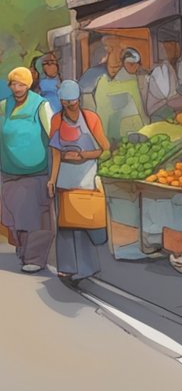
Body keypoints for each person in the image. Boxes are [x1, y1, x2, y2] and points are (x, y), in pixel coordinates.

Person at [46, 80, 109, 284]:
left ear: (78, 100)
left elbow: (103, 147)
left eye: (72, 103)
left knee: (83, 223)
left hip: (85, 176)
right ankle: (66, 268)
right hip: (64, 178)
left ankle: (86, 267)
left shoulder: (90, 118)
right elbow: (55, 153)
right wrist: (52, 180)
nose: (69, 107)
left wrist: (84, 155)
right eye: (65, 103)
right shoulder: (57, 120)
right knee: (65, 224)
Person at [1, 67, 56, 273]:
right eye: (14, 84)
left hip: (36, 171)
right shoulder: (4, 106)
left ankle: (35, 257)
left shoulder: (40, 105)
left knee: (37, 215)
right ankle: (24, 251)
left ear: (29, 84)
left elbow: (53, 133)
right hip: (10, 171)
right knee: (16, 213)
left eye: (21, 84)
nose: (17, 88)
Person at [146, 36, 182, 120]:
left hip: (168, 108)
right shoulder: (155, 69)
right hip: (156, 111)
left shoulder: (169, 67)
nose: (176, 50)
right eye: (170, 46)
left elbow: (174, 92)